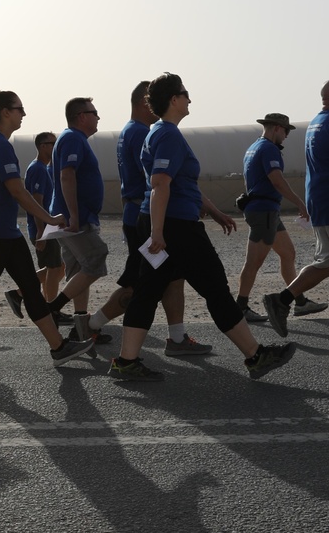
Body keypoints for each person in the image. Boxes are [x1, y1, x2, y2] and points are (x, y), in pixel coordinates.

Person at [110, 74, 296, 382]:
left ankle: (126, 361)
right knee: (215, 288)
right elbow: (160, 184)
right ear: (173, 99)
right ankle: (255, 356)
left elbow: (180, 183)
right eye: (185, 94)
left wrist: (212, 210)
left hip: (163, 222)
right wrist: (159, 233)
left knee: (148, 291)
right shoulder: (168, 134)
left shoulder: (158, 132)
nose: (189, 99)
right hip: (176, 227)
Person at [0, 90, 94, 374]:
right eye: (19, 109)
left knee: (31, 289)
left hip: (5, 232)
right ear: (5, 112)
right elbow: (17, 190)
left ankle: (58, 347)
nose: (23, 113)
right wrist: (49, 218)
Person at [73, 83, 207, 357]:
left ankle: (176, 337)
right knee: (140, 286)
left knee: (173, 278)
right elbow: (158, 181)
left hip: (140, 214)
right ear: (147, 103)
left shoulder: (131, 131)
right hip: (144, 217)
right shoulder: (144, 133)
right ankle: (92, 326)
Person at [235, 113, 320, 324]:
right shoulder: (268, 149)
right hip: (264, 211)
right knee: (254, 262)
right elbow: (277, 181)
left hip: (266, 211)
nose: (287, 135)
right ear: (275, 128)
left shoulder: (254, 147)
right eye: (285, 131)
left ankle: (299, 301)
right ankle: (241, 307)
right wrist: (300, 203)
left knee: (288, 253)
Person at [264, 82, 329, 336]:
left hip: (320, 199)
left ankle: (283, 299)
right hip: (326, 200)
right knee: (324, 263)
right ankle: (282, 299)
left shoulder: (316, 123)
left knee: (325, 262)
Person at [45, 97, 112, 339]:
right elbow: (67, 176)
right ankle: (51, 308)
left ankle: (81, 330)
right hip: (76, 219)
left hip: (75, 217)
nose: (98, 117)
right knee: (96, 258)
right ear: (82, 116)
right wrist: (74, 216)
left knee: (78, 271)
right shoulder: (73, 138)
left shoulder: (72, 138)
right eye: (94, 112)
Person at [5, 131, 64, 317]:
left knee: (54, 268)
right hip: (44, 227)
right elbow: (37, 201)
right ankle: (50, 308)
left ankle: (30, 298)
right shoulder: (38, 169)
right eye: (52, 143)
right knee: (55, 268)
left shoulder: (43, 168)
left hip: (47, 227)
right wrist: (41, 232)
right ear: (42, 146)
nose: (56, 146)